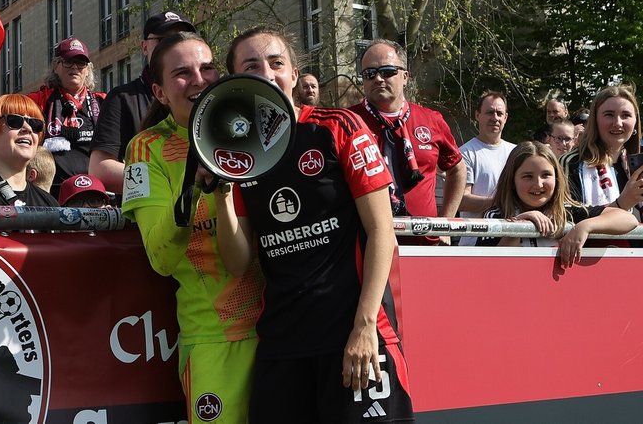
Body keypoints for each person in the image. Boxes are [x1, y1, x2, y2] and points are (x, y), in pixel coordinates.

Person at [214, 26, 413, 422]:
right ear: (235, 81)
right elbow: (237, 263)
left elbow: (381, 230)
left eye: (276, 63)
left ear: (293, 73)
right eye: (251, 66)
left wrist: (364, 327)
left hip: (353, 336)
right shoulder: (235, 153)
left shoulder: (337, 127)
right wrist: (220, 193)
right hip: (282, 343)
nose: (267, 73)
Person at [121, 32, 263, 423]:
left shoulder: (253, 127)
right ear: (160, 92)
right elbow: (160, 257)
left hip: (289, 328)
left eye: (207, 67)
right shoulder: (144, 149)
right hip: (217, 339)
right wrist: (193, 188)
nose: (199, 79)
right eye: (182, 73)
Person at [349, 38, 465, 245]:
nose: (377, 79)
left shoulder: (431, 120)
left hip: (425, 243)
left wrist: (446, 221)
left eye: (387, 72)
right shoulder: (347, 122)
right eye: (369, 74)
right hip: (368, 244)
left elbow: (457, 169)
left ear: (405, 76)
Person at [477, 141, 637, 268]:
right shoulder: (496, 215)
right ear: (512, 180)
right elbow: (491, 267)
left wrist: (583, 227)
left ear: (557, 178)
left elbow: (628, 220)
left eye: (546, 175)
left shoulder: (569, 211)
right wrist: (520, 225)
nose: (538, 184)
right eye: (527, 177)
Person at [90, 11, 196, 193]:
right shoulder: (122, 98)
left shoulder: (202, 93)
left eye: (180, 39)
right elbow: (100, 170)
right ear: (145, 47)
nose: (173, 47)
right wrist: (167, 180)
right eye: (163, 40)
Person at [27, 37, 106, 198]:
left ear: (88, 70)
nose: (75, 67)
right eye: (69, 62)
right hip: (52, 193)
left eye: (81, 63)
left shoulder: (103, 102)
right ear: (56, 66)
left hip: (96, 192)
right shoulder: (38, 101)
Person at [560, 85, 643, 218]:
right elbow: (565, 213)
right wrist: (620, 205)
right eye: (609, 115)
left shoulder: (636, 166)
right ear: (595, 120)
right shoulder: (572, 162)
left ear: (635, 123)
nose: (618, 123)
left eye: (626, 115)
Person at [457, 91, 515, 246]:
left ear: (506, 117)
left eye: (499, 113)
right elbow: (461, 200)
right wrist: (502, 203)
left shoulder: (516, 152)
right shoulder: (465, 153)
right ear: (477, 115)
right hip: (474, 243)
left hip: (510, 240)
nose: (494, 118)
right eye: (489, 112)